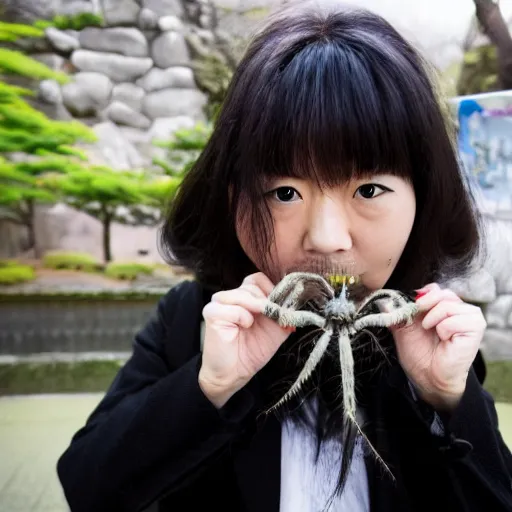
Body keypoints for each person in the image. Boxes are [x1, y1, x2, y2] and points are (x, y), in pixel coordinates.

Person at [57, 3, 512, 512]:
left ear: (424, 198)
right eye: (283, 192)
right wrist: (211, 385)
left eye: (369, 188)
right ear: (229, 197)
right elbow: (88, 487)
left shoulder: (429, 336)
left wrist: (450, 400)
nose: (325, 238)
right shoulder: (192, 323)